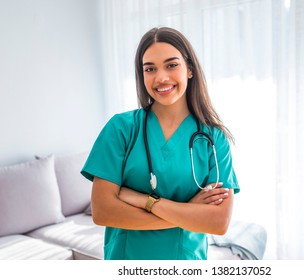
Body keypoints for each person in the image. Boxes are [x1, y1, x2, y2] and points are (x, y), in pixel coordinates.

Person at [81, 27, 239, 260]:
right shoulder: (121, 128)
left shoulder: (214, 139)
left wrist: (144, 200)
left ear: (190, 69)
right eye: (150, 69)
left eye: (171, 65)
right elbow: (103, 212)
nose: (161, 77)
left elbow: (217, 222)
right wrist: (188, 212)